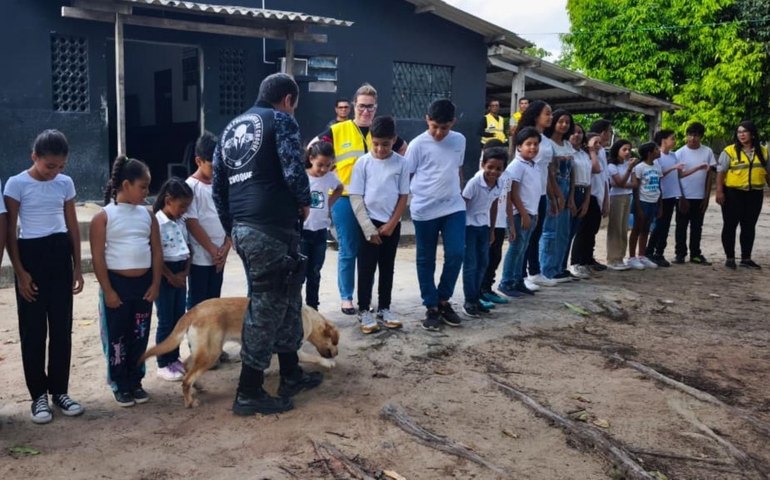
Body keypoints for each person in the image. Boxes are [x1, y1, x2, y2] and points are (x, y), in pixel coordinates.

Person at [212, 73, 320, 416]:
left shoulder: (230, 129)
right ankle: (248, 391)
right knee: (265, 307)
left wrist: (233, 226)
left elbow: (219, 186)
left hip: (246, 227)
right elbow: (292, 168)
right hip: (272, 227)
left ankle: (290, 374)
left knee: (287, 299)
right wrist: (304, 199)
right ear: (288, 100)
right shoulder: (281, 120)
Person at [4, 129, 84, 424]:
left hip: (59, 254)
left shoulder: (65, 183)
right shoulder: (16, 184)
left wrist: (76, 266)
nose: (55, 172)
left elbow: (73, 226)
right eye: (50, 165)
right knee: (33, 330)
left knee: (62, 329)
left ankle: (60, 391)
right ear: (34, 157)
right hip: (30, 257)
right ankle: (38, 395)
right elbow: (11, 232)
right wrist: (20, 272)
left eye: (61, 166)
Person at [312, 84, 407, 315]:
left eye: (370, 107)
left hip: (375, 202)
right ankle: (347, 298)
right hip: (346, 196)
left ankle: (371, 298)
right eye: (362, 106)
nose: (366, 111)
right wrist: (323, 177)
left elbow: (405, 150)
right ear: (355, 105)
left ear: (376, 108)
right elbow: (313, 150)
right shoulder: (337, 130)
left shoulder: (381, 131)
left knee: (372, 254)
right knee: (349, 248)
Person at [91, 155, 162, 407]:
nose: (146, 191)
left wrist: (155, 284)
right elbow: (98, 257)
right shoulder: (104, 217)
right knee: (117, 338)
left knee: (139, 334)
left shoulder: (148, 216)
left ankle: (136, 381)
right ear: (125, 185)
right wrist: (108, 290)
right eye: (142, 186)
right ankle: (120, 384)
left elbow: (156, 251)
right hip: (116, 287)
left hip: (143, 287)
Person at [406, 99, 466, 331]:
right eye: (434, 127)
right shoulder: (417, 145)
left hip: (453, 206)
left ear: (453, 123)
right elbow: (407, 176)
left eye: (445, 128)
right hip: (424, 209)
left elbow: (457, 168)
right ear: (426, 120)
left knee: (456, 252)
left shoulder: (459, 140)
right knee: (426, 258)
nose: (439, 133)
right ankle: (431, 305)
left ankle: (444, 299)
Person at [349, 116, 409, 333]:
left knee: (387, 267)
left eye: (385, 144)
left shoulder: (402, 163)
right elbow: (356, 197)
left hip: (391, 224)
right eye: (376, 144)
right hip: (368, 224)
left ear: (394, 140)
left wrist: (392, 224)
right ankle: (364, 310)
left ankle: (384, 308)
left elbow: (404, 196)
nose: (380, 148)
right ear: (369, 140)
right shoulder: (362, 163)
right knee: (365, 268)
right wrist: (368, 228)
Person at [511, 100, 556, 288]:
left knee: (536, 234)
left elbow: (547, 169)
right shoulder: (527, 137)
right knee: (524, 236)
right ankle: (519, 276)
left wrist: (554, 195)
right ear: (536, 115)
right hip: (527, 193)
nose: (550, 117)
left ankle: (534, 271)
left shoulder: (546, 139)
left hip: (541, 192)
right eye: (547, 113)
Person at [152, 178, 193, 382]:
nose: (184, 211)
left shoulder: (180, 222)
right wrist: (170, 277)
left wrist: (184, 273)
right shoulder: (156, 222)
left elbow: (188, 248)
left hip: (180, 272)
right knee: (166, 320)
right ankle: (162, 363)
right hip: (164, 273)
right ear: (169, 200)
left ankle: (174, 357)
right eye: (182, 206)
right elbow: (155, 254)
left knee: (179, 320)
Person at [185, 131, 230, 310]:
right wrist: (212, 250)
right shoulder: (191, 187)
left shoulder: (222, 185)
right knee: (198, 305)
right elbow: (192, 222)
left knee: (214, 304)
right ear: (198, 161)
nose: (217, 170)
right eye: (212, 166)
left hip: (219, 256)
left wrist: (225, 249)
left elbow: (229, 217)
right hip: (200, 258)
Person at [716, 120, 769, 269]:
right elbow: (721, 172)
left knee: (749, 226)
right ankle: (730, 258)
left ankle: (746, 258)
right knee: (730, 226)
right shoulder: (729, 151)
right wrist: (719, 191)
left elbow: (767, 173)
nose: (741, 135)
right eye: (739, 132)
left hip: (754, 194)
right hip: (733, 194)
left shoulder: (764, 151)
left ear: (752, 134)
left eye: (744, 132)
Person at [498, 127, 543, 297]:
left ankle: (518, 280)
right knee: (516, 247)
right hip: (519, 214)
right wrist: (524, 214)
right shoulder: (516, 166)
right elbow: (514, 193)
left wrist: (534, 213)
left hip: (531, 213)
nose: (533, 147)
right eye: (528, 144)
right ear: (519, 147)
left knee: (523, 248)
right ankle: (506, 282)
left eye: (535, 144)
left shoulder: (534, 165)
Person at [461, 147, 505, 316]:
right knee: (471, 264)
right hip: (469, 227)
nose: (494, 171)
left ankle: (477, 296)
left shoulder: (498, 184)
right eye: (490, 167)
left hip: (483, 227)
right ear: (483, 165)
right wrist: (460, 230)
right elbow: (463, 203)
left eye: (498, 168)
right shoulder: (474, 183)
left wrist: (492, 229)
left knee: (483, 263)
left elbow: (494, 206)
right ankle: (469, 301)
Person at [302, 142, 343, 310]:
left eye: (328, 165)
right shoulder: (302, 177)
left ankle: (313, 307)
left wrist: (329, 204)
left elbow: (339, 188)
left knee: (315, 272)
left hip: (320, 232)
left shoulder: (329, 177)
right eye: (320, 165)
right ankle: (296, 309)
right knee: (299, 274)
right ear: (311, 159)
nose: (324, 169)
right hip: (303, 231)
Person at [540, 109, 574, 283]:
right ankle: (546, 269)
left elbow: (572, 172)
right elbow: (550, 173)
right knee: (550, 231)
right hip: (553, 191)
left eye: (567, 122)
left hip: (567, 189)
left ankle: (559, 267)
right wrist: (555, 196)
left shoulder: (568, 145)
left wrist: (571, 196)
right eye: (560, 121)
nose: (564, 125)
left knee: (563, 231)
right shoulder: (547, 144)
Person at [674, 122, 715, 265]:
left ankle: (695, 254)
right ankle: (680, 254)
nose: (692, 138)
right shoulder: (679, 153)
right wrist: (681, 197)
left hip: (699, 196)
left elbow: (710, 175)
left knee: (697, 227)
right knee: (681, 226)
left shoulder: (707, 152)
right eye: (690, 135)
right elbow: (676, 177)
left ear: (701, 137)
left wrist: (707, 196)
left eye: (696, 135)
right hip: (683, 196)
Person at [480, 139, 515, 304]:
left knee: (495, 257)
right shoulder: (479, 177)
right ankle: (479, 291)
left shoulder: (506, 176)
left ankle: (487, 288)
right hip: (485, 223)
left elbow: (507, 200)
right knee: (483, 258)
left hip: (500, 223)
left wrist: (511, 224)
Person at [565, 124, 599, 279]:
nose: (577, 135)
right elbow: (571, 178)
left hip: (583, 191)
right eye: (573, 132)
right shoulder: (567, 152)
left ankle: (567, 266)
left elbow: (589, 178)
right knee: (565, 232)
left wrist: (586, 201)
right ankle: (565, 264)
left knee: (573, 231)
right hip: (572, 192)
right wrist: (571, 198)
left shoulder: (584, 155)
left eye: (580, 132)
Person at [645, 130, 683, 267]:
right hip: (661, 195)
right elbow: (658, 174)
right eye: (672, 138)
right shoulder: (657, 157)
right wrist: (673, 168)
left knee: (666, 225)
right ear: (663, 140)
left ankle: (659, 251)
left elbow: (680, 175)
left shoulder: (673, 155)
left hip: (672, 194)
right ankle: (650, 250)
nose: (674, 141)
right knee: (659, 224)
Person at [582, 119, 613, 271]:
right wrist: (592, 150)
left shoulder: (602, 152)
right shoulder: (589, 152)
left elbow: (605, 178)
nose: (610, 135)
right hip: (591, 194)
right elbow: (595, 170)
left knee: (593, 230)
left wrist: (606, 199)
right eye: (609, 132)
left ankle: (588, 258)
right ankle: (580, 260)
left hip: (600, 194)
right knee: (585, 230)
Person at [628, 142, 663, 269]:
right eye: (656, 149)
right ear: (649, 153)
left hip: (654, 201)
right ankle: (632, 257)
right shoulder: (640, 168)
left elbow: (659, 186)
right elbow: (635, 189)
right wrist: (637, 207)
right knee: (637, 228)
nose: (659, 151)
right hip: (642, 201)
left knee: (646, 229)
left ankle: (642, 255)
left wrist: (660, 205)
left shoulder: (657, 167)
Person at [605, 139, 638, 271]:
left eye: (629, 149)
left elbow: (634, 184)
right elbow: (619, 183)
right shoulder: (613, 166)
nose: (627, 152)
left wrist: (626, 179)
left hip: (627, 196)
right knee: (615, 227)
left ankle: (620, 256)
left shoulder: (630, 164)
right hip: (616, 197)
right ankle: (613, 258)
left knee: (624, 227)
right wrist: (629, 170)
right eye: (624, 149)